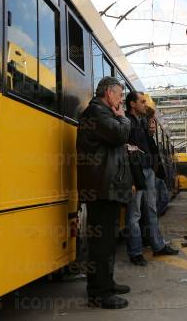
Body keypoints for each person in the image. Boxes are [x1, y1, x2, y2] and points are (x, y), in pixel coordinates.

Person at [76, 77, 132, 309]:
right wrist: (123, 119)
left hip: (105, 186)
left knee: (107, 242)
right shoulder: (97, 113)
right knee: (101, 243)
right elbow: (120, 135)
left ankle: (106, 283)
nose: (121, 100)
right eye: (119, 95)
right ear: (109, 94)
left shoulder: (101, 114)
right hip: (100, 188)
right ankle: (99, 294)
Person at [125, 91, 178, 266]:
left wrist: (150, 133)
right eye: (141, 101)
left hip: (147, 170)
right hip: (136, 172)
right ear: (132, 104)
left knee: (152, 210)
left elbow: (145, 146)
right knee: (135, 214)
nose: (144, 104)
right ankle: (135, 252)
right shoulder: (126, 122)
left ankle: (158, 246)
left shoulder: (141, 122)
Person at [147, 117, 170, 215]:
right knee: (157, 200)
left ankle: (153, 217)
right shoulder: (146, 140)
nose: (153, 127)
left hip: (158, 175)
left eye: (153, 124)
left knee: (164, 199)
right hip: (153, 174)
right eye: (150, 124)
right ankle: (152, 218)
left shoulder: (152, 140)